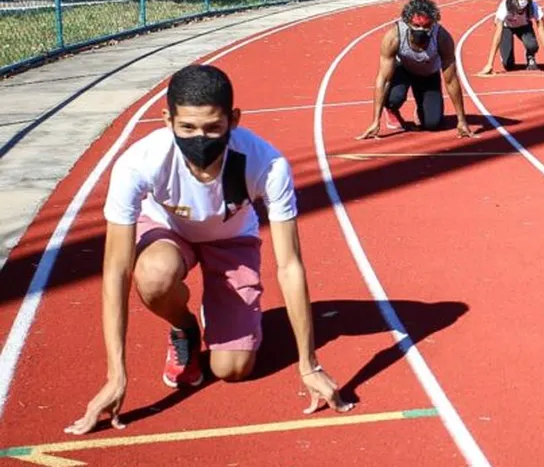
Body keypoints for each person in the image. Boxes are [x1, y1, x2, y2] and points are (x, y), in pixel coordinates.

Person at [66, 65, 352, 436]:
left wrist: (308, 363)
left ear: (233, 119)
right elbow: (117, 270)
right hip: (167, 231)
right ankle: (183, 326)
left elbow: (289, 265)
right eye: (187, 128)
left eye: (213, 128)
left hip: (231, 240)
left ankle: (223, 313)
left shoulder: (267, 164)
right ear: (167, 118)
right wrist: (116, 375)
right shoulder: (138, 164)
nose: (199, 139)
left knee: (233, 369)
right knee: (153, 275)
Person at [357, 0, 475, 139]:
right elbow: (383, 79)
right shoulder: (394, 37)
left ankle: (422, 108)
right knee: (393, 98)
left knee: (432, 124)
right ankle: (392, 109)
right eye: (417, 26)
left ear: (433, 23)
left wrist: (461, 120)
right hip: (403, 71)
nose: (421, 30)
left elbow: (451, 80)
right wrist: (376, 121)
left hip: (428, 75)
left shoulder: (442, 38)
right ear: (407, 23)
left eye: (426, 27)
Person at [479, 0, 544, 75]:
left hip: (524, 27)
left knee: (532, 46)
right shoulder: (504, 6)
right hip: (507, 28)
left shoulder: (533, 6)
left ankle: (530, 55)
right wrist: (489, 64)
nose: (521, 0)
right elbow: (497, 34)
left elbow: (543, 34)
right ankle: (506, 56)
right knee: (508, 66)